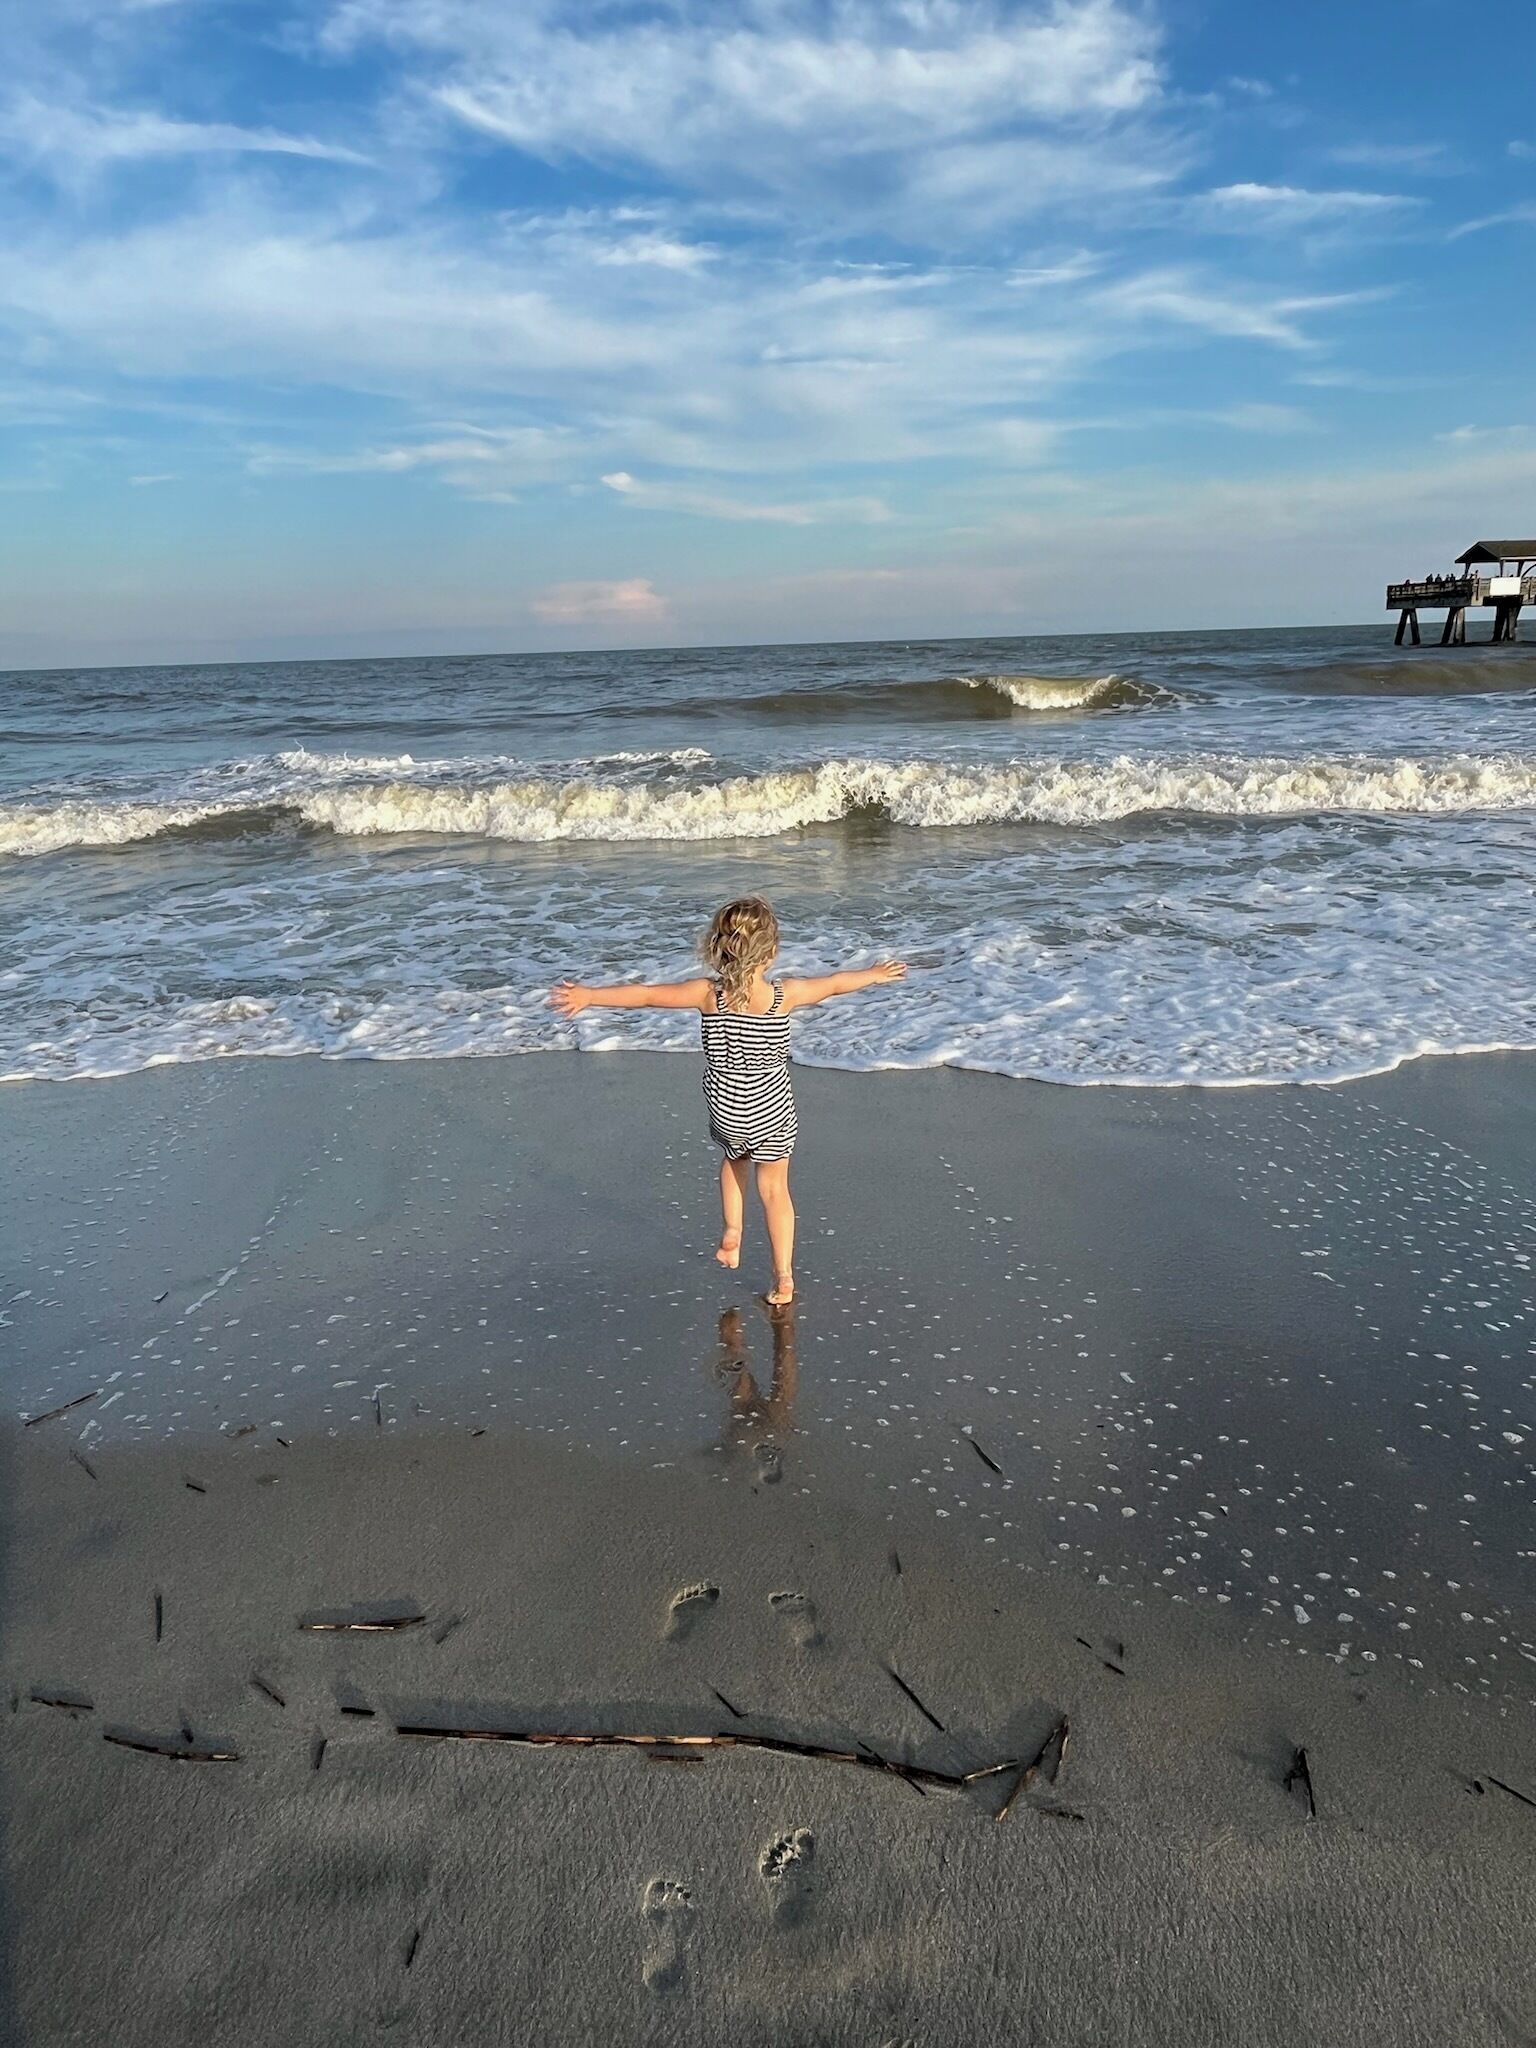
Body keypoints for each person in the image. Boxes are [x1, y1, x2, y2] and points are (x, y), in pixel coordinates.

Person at [550, 896, 907, 1304]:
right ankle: (784, 1278)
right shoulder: (783, 995)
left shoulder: (707, 995)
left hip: (727, 1109)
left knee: (734, 1161)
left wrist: (590, 996)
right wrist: (875, 974)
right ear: (771, 952)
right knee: (774, 1189)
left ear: (719, 947)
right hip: (773, 1110)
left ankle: (733, 1233)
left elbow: (647, 995)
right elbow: (835, 984)